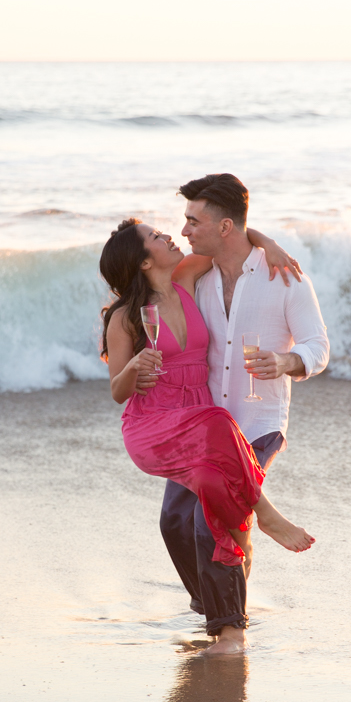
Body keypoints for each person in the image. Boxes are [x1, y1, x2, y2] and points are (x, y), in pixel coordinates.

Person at [101, 218, 315, 653]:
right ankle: (267, 515)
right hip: (154, 424)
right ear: (143, 262)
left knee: (211, 499)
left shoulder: (187, 277)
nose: (169, 236)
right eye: (156, 238)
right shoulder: (125, 318)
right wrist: (134, 368)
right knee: (218, 424)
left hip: (199, 416)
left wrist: (268, 242)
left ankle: (227, 628)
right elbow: (117, 393)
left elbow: (229, 235)